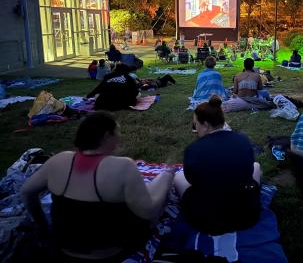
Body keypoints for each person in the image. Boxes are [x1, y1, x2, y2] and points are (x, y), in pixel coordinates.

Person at [21, 112, 174, 261]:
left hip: (64, 249)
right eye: (117, 132)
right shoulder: (123, 166)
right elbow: (148, 213)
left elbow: (27, 191)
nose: (119, 138)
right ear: (107, 135)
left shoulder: (58, 160)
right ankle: (167, 174)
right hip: (111, 252)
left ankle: (164, 177)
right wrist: (166, 182)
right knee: (162, 184)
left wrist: (42, 226)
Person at [173, 96, 262, 235]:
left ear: (206, 125)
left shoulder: (193, 149)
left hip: (205, 221)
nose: (195, 129)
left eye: (195, 125)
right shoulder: (242, 140)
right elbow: (248, 171)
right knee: (256, 166)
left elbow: (192, 181)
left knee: (178, 176)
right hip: (247, 215)